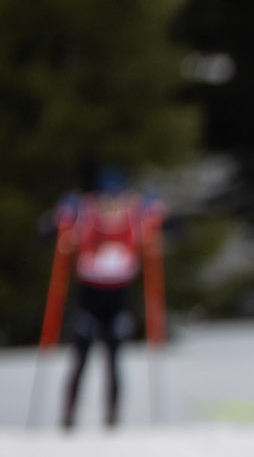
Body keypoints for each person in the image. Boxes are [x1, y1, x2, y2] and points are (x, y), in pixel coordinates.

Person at [41, 168, 164, 430]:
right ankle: (68, 417)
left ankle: (112, 418)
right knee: (80, 358)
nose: (111, 205)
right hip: (88, 296)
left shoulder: (134, 215)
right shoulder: (83, 213)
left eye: (116, 198)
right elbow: (47, 233)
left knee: (114, 359)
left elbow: (172, 228)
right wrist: (58, 217)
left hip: (119, 297)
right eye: (106, 198)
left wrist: (159, 211)